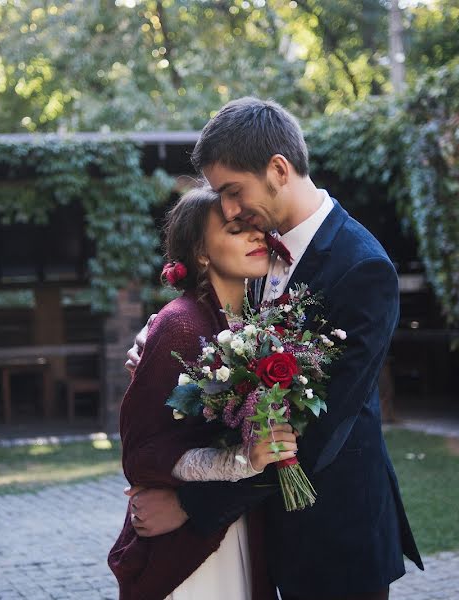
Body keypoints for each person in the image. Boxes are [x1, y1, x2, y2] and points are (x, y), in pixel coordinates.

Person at [124, 97, 424, 600]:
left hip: (334, 533)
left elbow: (320, 435)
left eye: (233, 191)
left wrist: (192, 506)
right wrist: (165, 343)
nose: (229, 209)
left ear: (279, 169)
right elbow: (223, 329)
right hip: (265, 530)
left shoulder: (363, 269)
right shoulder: (261, 252)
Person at [108, 185, 298, 600]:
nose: (256, 237)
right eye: (236, 229)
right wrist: (241, 460)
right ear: (201, 253)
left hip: (241, 526)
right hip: (192, 550)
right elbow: (144, 452)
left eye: (257, 228)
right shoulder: (179, 324)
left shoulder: (260, 320)